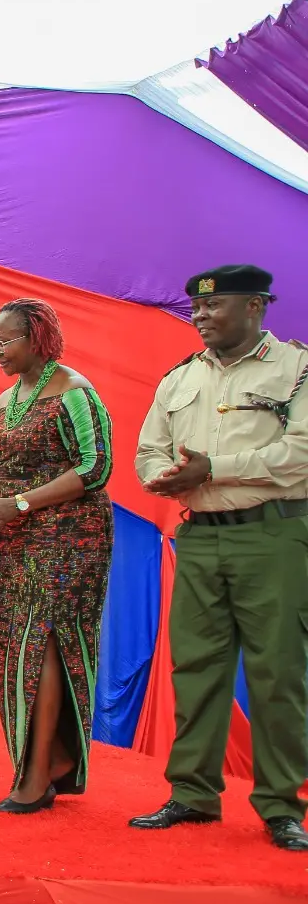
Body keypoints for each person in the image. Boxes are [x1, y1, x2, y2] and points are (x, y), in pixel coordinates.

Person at [130, 265, 308, 852]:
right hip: (200, 535)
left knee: (277, 672)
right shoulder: (180, 378)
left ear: (256, 306)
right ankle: (193, 794)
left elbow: (301, 453)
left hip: (274, 536)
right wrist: (164, 478)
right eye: (196, 308)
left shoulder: (297, 369)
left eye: (215, 306)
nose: (201, 316)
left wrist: (216, 469)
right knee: (197, 668)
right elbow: (149, 448)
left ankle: (282, 806)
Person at [0, 298, 113, 813]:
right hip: (15, 541)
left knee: (46, 644)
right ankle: (50, 759)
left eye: (5, 341)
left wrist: (20, 502)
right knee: (16, 646)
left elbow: (96, 468)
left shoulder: (75, 391)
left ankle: (35, 776)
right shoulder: (5, 400)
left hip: (70, 539)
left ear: (38, 339)